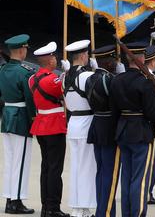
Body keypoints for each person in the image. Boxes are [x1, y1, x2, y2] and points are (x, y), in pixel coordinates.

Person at [110, 42, 155, 217]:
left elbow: (114, 111)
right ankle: (137, 213)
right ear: (141, 59)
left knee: (127, 178)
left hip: (123, 132)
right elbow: (153, 113)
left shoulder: (117, 80)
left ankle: (127, 213)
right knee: (139, 180)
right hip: (141, 133)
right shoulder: (145, 82)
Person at [28, 42, 69, 217]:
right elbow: (67, 90)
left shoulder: (32, 79)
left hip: (41, 124)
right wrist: (68, 73)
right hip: (54, 125)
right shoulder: (53, 80)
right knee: (54, 169)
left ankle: (46, 206)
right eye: (54, 57)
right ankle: (53, 207)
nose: (56, 59)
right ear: (49, 60)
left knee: (46, 167)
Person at [85, 45, 122, 217]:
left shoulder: (89, 79)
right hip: (109, 129)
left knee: (101, 172)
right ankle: (106, 213)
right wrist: (120, 77)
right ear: (107, 62)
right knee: (109, 174)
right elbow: (118, 104)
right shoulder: (110, 80)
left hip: (97, 125)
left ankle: (102, 210)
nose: (115, 63)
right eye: (113, 60)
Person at [1, 34, 36, 214]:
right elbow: (30, 100)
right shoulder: (24, 72)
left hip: (6, 117)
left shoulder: (3, 69)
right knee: (21, 162)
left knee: (10, 162)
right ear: (22, 50)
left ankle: (9, 198)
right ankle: (16, 202)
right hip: (21, 118)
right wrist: (33, 119)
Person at [63, 40, 98, 217]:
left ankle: (78, 207)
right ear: (84, 56)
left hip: (73, 123)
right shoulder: (87, 76)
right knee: (86, 167)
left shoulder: (64, 77)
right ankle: (83, 208)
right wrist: (97, 71)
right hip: (86, 122)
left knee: (77, 167)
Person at [144, 45, 155, 205]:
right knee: (150, 163)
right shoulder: (153, 80)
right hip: (150, 128)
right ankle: (147, 192)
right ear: (152, 61)